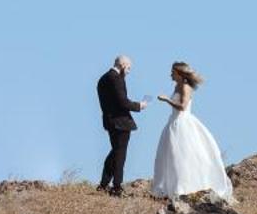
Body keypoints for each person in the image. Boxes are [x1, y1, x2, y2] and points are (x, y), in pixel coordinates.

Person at [151, 61, 232, 199]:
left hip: (182, 123)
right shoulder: (177, 85)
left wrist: (166, 100)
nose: (170, 74)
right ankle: (170, 188)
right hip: (173, 122)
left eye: (173, 72)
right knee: (170, 155)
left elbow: (182, 106)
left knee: (183, 155)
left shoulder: (186, 87)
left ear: (179, 73)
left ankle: (183, 188)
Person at [95, 55, 146, 194]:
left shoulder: (103, 78)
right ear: (122, 65)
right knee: (120, 154)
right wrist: (139, 106)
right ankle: (117, 186)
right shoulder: (116, 79)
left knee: (115, 152)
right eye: (128, 68)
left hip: (109, 121)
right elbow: (122, 102)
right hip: (120, 122)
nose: (129, 71)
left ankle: (104, 184)